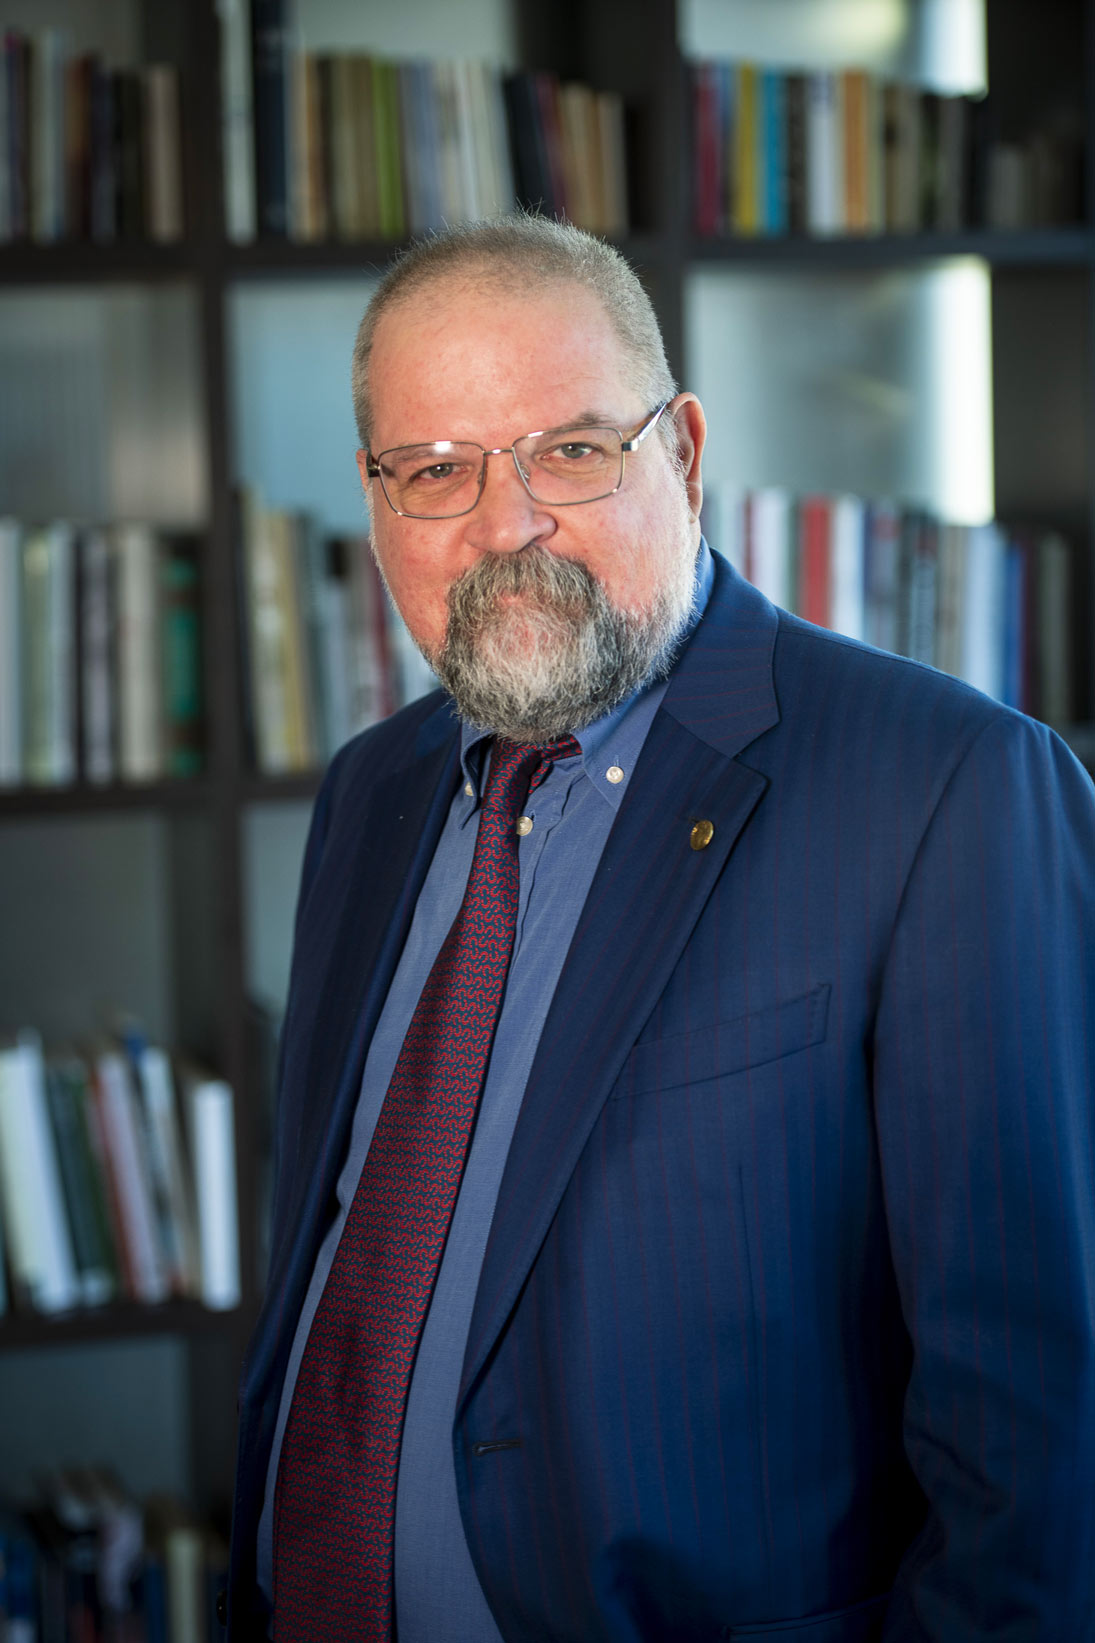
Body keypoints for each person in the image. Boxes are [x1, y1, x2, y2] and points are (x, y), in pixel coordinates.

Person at [226, 214, 1095, 1642]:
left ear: (683, 452)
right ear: (376, 502)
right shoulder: (370, 792)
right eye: (436, 470)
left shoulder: (949, 792)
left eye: (571, 451)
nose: (504, 525)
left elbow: (1041, 1449)